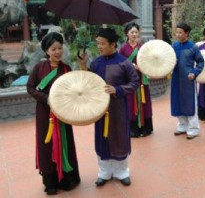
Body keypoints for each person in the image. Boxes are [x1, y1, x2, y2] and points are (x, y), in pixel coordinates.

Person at [80, 28, 139, 186]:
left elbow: (135, 82)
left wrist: (118, 90)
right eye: (98, 43)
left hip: (118, 107)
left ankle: (122, 172)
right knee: (102, 138)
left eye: (103, 44)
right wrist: (83, 66)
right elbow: (88, 83)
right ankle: (104, 172)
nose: (99, 47)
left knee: (119, 136)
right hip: (100, 109)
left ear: (113, 44)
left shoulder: (124, 63)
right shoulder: (96, 63)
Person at [27, 32, 80, 195]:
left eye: (59, 48)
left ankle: (66, 178)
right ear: (46, 51)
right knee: (47, 144)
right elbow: (30, 88)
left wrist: (83, 64)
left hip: (63, 113)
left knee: (64, 142)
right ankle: (50, 182)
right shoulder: (39, 68)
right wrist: (47, 99)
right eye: (53, 49)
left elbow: (75, 89)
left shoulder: (66, 68)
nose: (57, 52)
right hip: (45, 112)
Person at [119, 22, 153, 137]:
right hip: (129, 80)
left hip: (141, 79)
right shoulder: (123, 49)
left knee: (144, 102)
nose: (134, 34)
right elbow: (120, 64)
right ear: (127, 33)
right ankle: (133, 130)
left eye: (136, 32)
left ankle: (145, 128)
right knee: (130, 102)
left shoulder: (142, 47)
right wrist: (130, 67)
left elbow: (147, 61)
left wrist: (140, 67)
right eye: (132, 32)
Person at [171, 22, 204, 140]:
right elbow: (168, 59)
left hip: (188, 79)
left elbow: (200, 62)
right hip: (176, 78)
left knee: (190, 102)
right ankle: (182, 126)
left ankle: (193, 128)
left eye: (180, 32)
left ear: (187, 33)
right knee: (177, 100)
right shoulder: (174, 46)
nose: (178, 34)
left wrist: (194, 73)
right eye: (177, 32)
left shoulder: (193, 47)